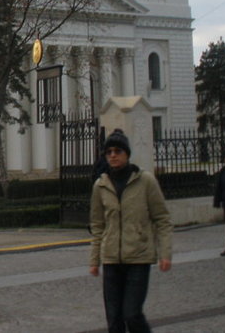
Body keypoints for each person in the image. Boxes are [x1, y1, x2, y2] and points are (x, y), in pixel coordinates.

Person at [89, 129, 172, 333]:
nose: (113, 155)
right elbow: (97, 225)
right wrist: (94, 260)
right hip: (111, 259)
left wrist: (165, 253)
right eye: (109, 152)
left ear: (127, 153)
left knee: (132, 314)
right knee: (114, 320)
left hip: (138, 257)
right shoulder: (100, 185)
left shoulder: (145, 181)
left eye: (117, 151)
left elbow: (162, 218)